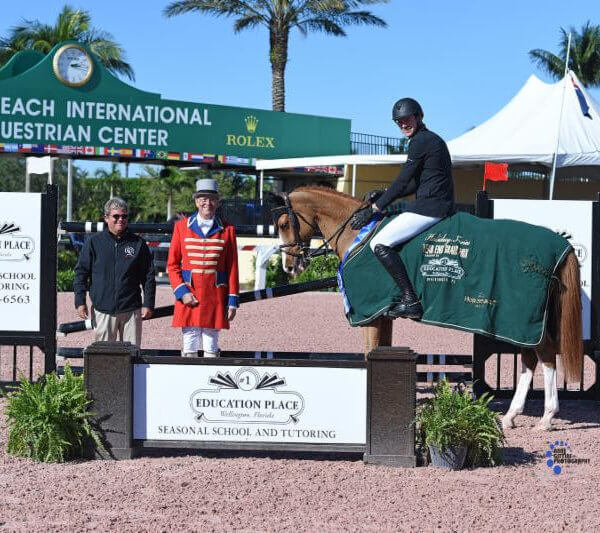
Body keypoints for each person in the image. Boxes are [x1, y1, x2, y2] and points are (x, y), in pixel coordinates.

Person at [350, 97, 455, 320]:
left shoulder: (420, 141)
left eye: (407, 119)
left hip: (430, 207)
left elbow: (403, 180)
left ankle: (411, 301)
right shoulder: (427, 139)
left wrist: (375, 208)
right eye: (399, 122)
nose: (403, 125)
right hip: (431, 202)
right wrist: (384, 191)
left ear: (418, 117)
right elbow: (414, 183)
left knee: (380, 243)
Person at [167, 178, 239, 357]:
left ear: (218, 202)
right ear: (196, 201)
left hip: (215, 295)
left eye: (212, 198)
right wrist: (182, 292)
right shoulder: (181, 227)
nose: (207, 203)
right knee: (189, 343)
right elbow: (173, 265)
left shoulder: (228, 229)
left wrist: (232, 301)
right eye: (203, 199)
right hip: (190, 294)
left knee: (211, 346)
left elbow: (232, 267)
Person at [74, 197, 155, 346]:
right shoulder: (93, 242)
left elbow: (148, 276)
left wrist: (148, 303)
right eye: (116, 216)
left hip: (131, 309)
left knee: (132, 358)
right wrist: (80, 301)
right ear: (106, 218)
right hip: (103, 310)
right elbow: (81, 273)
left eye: (124, 216)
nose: (120, 220)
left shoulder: (138, 243)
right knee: (104, 358)